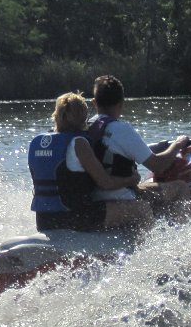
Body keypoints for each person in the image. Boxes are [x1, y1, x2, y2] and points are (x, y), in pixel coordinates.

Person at [30, 92, 149, 232]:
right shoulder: (79, 143)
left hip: (43, 220)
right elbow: (105, 183)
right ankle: (144, 246)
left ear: (56, 116)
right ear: (84, 118)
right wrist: (131, 180)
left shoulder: (36, 142)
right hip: (75, 217)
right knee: (142, 209)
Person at [89, 74, 191, 215]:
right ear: (121, 103)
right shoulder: (121, 129)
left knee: (147, 185)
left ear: (94, 102)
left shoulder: (86, 126)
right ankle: (179, 228)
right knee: (180, 187)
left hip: (94, 198)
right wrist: (177, 144)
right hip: (120, 196)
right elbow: (158, 166)